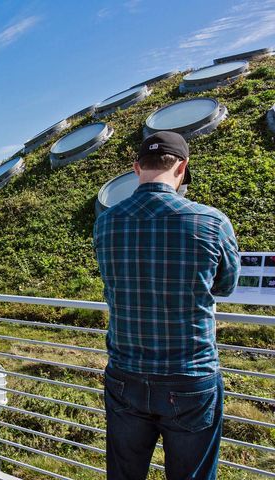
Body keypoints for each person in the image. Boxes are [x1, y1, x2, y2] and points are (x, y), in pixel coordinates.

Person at [93, 131, 240, 480]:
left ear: (136, 168)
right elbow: (226, 285)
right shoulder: (210, 222)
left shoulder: (106, 223)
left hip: (125, 373)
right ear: (182, 168)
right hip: (190, 375)